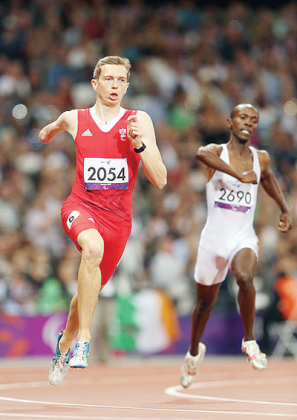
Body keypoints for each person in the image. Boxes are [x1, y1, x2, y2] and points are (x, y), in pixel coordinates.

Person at [39, 56, 167, 386]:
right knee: (91, 248)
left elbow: (161, 179)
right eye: (108, 79)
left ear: (127, 85)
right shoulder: (76, 118)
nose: (114, 85)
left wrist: (139, 144)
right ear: (95, 84)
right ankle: (84, 341)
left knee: (83, 297)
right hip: (80, 206)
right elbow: (49, 130)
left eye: (120, 80)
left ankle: (63, 346)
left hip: (118, 224)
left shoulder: (139, 120)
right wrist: (50, 131)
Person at [180, 103, 292, 389]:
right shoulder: (216, 152)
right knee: (204, 304)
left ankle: (249, 340)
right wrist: (237, 175)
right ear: (230, 122)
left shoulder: (261, 158)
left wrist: (283, 208)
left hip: (242, 237)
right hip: (213, 240)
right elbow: (199, 153)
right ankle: (193, 353)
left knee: (245, 277)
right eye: (243, 117)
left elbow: (267, 179)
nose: (248, 123)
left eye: (254, 120)